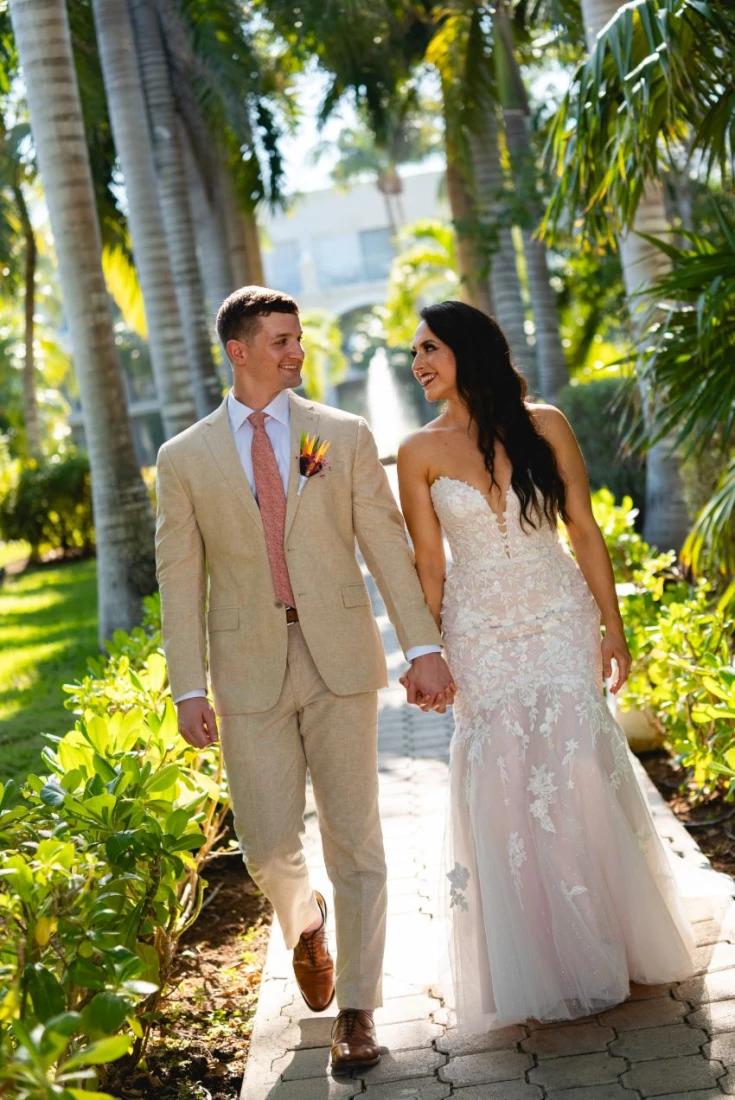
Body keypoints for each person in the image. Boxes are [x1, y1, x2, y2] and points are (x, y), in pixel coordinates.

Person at [154, 286, 455, 1071]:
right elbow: (180, 578)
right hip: (245, 669)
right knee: (265, 842)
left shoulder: (340, 434)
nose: (297, 352)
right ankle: (304, 921)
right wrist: (188, 687)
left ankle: (356, 1009)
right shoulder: (182, 458)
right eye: (282, 340)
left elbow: (386, 546)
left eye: (299, 339)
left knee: (356, 840)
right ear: (240, 350)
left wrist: (421, 645)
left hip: (340, 659)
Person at [397, 299, 695, 1031]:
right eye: (413, 354)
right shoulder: (417, 452)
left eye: (429, 348)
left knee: (576, 771)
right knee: (500, 774)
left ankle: (608, 942)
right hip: (479, 630)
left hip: (559, 617)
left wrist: (611, 630)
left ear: (468, 350)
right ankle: (529, 959)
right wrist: (424, 656)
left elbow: (583, 529)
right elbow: (427, 565)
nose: (418, 365)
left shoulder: (546, 423)